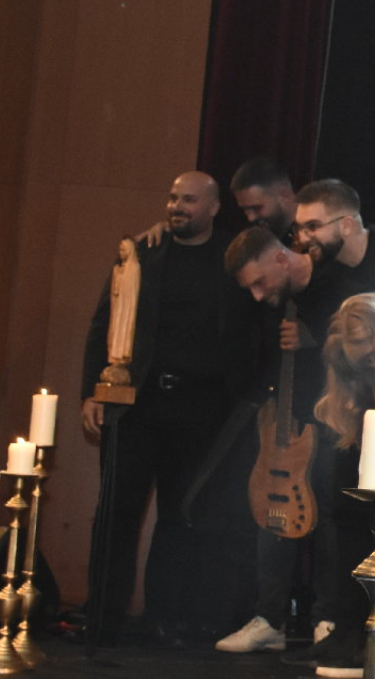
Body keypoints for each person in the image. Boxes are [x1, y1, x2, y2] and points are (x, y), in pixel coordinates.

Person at [79, 171, 255, 645]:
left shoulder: (232, 257)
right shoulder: (143, 253)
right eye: (174, 198)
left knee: (181, 518)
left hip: (203, 411)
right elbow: (103, 324)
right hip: (137, 406)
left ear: (214, 208)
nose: (177, 207)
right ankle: (101, 619)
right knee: (115, 512)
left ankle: (164, 621)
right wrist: (91, 392)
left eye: (189, 200)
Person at [212, 226, 361, 654]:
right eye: (250, 288)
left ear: (280, 258)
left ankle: (328, 619)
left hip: (335, 421)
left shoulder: (338, 282)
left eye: (260, 282)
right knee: (273, 509)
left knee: (331, 515)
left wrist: (315, 340)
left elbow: (365, 346)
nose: (257, 295)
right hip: (289, 420)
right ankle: (269, 617)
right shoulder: (277, 300)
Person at [229, 157, 298, 241]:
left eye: (256, 208)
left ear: (284, 196)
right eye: (245, 209)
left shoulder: (310, 239)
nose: (250, 218)